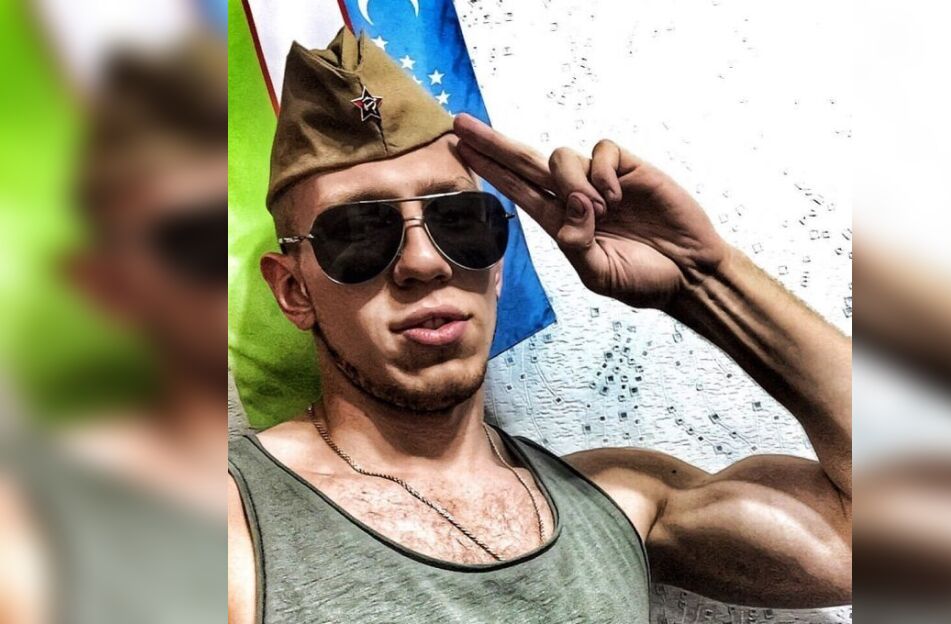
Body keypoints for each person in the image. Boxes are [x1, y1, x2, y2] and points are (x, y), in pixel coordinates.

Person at [227, 28, 851, 623]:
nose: (424, 262)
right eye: (359, 232)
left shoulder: (620, 500)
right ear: (294, 290)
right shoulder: (224, 526)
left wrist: (703, 279)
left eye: (459, 221)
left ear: (499, 264)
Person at [0, 38, 227, 623]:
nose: (229, 268)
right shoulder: (28, 524)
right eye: (198, 240)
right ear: (106, 284)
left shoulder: (343, 467)